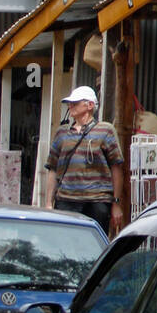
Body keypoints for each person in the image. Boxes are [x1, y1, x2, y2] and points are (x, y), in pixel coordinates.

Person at [45, 85, 128, 236]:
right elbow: (52, 168)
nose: (70, 106)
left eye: (75, 103)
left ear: (90, 105)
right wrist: (48, 204)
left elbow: (117, 168)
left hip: (97, 201)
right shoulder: (62, 132)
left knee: (95, 246)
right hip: (66, 200)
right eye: (69, 103)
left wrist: (116, 203)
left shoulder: (106, 130)